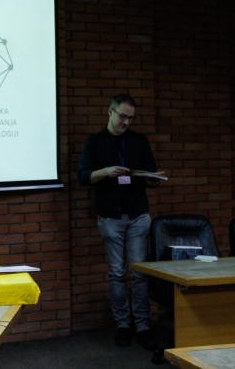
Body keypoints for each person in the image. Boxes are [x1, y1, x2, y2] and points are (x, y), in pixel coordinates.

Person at [78, 94, 160, 350]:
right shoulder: (95, 142)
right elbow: (82, 176)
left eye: (130, 118)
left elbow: (151, 174)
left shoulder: (139, 141)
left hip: (138, 214)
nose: (126, 122)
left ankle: (143, 326)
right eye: (122, 116)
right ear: (110, 112)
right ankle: (123, 325)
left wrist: (153, 178)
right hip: (110, 215)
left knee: (140, 273)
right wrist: (106, 172)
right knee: (116, 274)